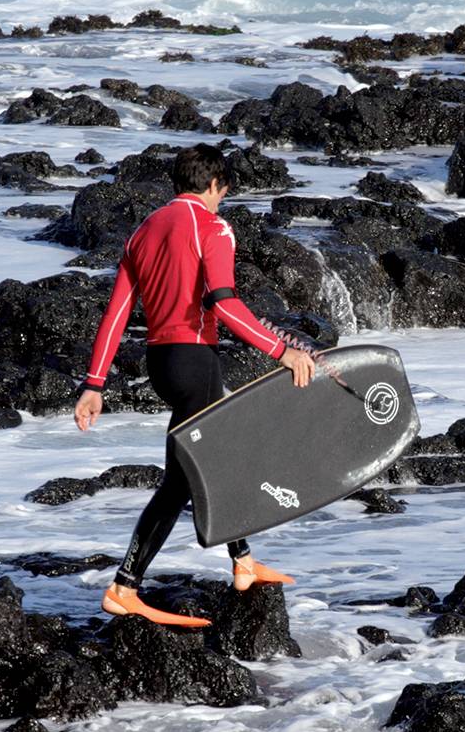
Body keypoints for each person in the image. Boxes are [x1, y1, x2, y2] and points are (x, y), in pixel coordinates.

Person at [74, 143, 316, 627]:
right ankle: (124, 586)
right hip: (195, 361)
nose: (221, 200)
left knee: (217, 461)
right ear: (213, 186)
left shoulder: (143, 231)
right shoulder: (212, 226)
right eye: (222, 192)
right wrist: (282, 351)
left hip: (161, 362)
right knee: (181, 482)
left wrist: (94, 383)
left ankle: (243, 562)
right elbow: (224, 305)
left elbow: (117, 312)